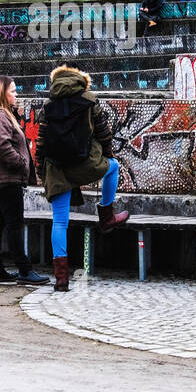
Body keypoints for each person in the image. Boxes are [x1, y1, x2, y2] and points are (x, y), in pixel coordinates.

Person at [34, 63, 129, 292]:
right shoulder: (89, 99)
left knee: (59, 222)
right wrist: (106, 156)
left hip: (57, 168)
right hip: (85, 162)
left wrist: (40, 171)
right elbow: (103, 133)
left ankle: (61, 279)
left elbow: (41, 142)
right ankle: (106, 216)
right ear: (79, 79)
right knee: (114, 167)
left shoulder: (48, 105)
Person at [0, 76, 49, 285]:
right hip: (5, 176)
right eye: (13, 91)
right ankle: (24, 270)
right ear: (1, 93)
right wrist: (22, 163)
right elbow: (2, 147)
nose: (16, 95)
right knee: (14, 224)